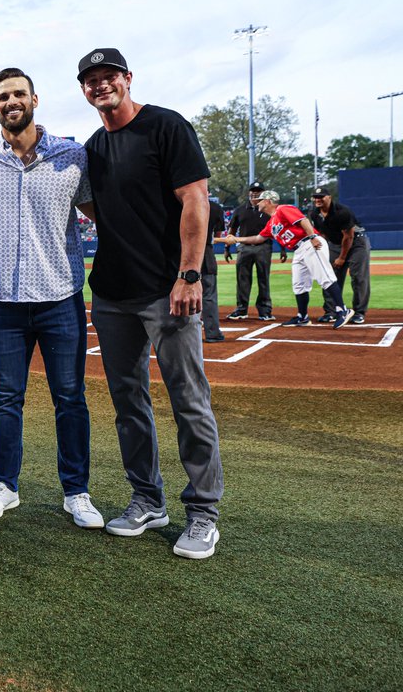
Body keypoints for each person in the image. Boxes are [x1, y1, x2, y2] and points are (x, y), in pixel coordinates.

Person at [77, 47, 224, 560]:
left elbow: (195, 199)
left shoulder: (166, 126)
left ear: (127, 78)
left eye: (108, 76)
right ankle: (148, 499)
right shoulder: (93, 147)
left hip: (168, 290)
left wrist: (188, 275)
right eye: (91, 80)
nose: (101, 85)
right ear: (84, 90)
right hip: (113, 293)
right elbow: (96, 208)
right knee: (128, 403)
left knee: (189, 399)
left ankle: (203, 513)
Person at [0, 68, 102, 530]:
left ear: (35, 99)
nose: (11, 101)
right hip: (4, 302)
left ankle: (76, 492)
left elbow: (96, 213)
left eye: (19, 93)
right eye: (3, 96)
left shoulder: (71, 154)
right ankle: (5, 485)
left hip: (60, 298)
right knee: (5, 399)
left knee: (70, 398)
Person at [222, 190, 351, 329]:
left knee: (325, 277)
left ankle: (342, 310)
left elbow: (303, 220)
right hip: (299, 250)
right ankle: (302, 317)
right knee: (299, 284)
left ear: (267, 201)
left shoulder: (283, 209)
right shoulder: (271, 222)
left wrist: (312, 237)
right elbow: (258, 238)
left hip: (309, 243)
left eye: (260, 200)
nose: (257, 202)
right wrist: (237, 239)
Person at [308, 187, 371, 325]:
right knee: (330, 277)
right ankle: (331, 312)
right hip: (335, 243)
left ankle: (359, 312)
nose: (318, 199)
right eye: (315, 197)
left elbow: (348, 236)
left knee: (359, 277)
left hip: (356, 243)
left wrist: (342, 258)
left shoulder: (342, 212)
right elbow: (323, 234)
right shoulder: (314, 214)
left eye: (321, 197)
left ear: (329, 197)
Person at [225, 182, 274, 321]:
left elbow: (277, 228)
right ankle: (241, 309)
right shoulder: (240, 210)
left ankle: (265, 311)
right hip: (244, 247)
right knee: (242, 280)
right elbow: (232, 230)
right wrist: (227, 248)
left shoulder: (268, 210)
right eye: (253, 190)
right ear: (249, 193)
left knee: (263, 279)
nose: (255, 193)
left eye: (258, 191)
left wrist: (281, 249)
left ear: (264, 193)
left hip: (264, 246)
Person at [202, 198, 227, 343]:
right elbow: (217, 235)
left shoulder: (176, 202)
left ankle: (176, 333)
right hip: (205, 252)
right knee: (209, 296)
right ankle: (212, 333)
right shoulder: (215, 207)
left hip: (180, 252)